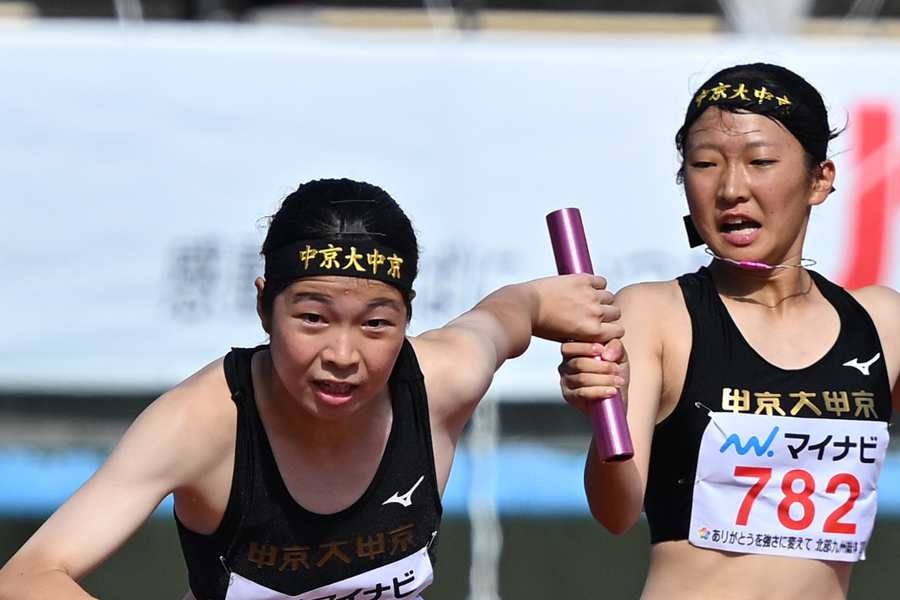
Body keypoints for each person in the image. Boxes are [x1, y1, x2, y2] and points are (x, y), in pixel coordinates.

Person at [0, 178, 622, 600]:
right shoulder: (199, 424)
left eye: (377, 323)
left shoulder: (442, 379)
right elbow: (27, 576)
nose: (343, 356)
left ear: (408, 316)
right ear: (264, 307)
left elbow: (504, 313)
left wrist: (551, 304)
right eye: (313, 319)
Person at [559, 63, 900, 600]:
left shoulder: (881, 321)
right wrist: (607, 415)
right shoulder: (655, 313)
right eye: (704, 164)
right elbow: (616, 512)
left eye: (760, 161)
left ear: (821, 180)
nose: (731, 188)